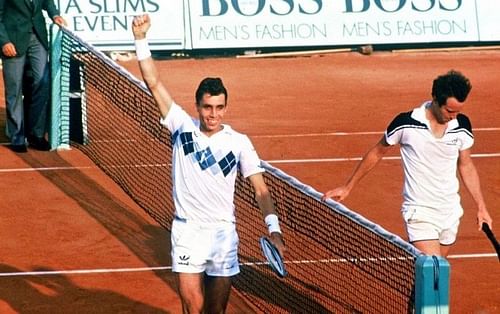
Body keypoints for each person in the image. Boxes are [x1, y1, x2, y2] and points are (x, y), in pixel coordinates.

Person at [131, 14, 286, 313]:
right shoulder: (181, 126)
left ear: (225, 108)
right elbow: (153, 82)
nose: (212, 114)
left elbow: (260, 190)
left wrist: (274, 230)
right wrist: (140, 39)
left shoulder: (239, 142)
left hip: (223, 235)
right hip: (187, 232)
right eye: (207, 107)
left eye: (218, 107)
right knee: (193, 307)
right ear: (197, 106)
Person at [322, 70, 492, 257]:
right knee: (433, 269)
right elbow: (377, 152)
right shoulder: (406, 123)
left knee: (434, 278)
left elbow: (466, 165)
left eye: (458, 111)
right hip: (419, 211)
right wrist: (348, 187)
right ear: (435, 99)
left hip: (450, 211)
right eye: (449, 111)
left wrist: (481, 206)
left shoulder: (462, 126)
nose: (453, 116)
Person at [0, 0, 66, 153]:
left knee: (43, 82)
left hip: (38, 36)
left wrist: (55, 15)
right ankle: (17, 136)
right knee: (14, 89)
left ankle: (36, 133)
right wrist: (4, 42)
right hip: (13, 40)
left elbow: (48, 2)